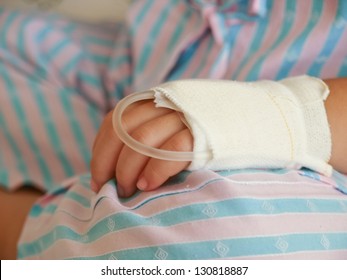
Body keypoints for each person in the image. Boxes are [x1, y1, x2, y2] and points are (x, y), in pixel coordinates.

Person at [1, 0, 347, 259]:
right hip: (158, 56)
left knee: (213, 241)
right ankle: (95, 210)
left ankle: (33, 226)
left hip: (324, 161)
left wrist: (272, 115)